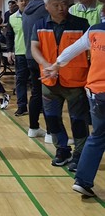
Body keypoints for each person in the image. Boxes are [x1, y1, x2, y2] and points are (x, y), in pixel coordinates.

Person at [44, 19, 105, 198]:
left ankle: (82, 181)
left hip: (96, 92)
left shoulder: (95, 30)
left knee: (97, 136)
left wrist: (56, 65)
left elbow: (71, 50)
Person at [31, 0, 90, 170]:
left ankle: (80, 154)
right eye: (56, 5)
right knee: (52, 118)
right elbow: (34, 48)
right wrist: (46, 65)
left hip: (75, 80)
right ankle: (62, 150)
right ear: (46, 6)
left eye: (64, 4)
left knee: (78, 120)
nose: (61, 8)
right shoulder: (39, 24)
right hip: (49, 80)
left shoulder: (81, 24)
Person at [22, 0, 57, 140]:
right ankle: (51, 133)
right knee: (50, 95)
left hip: (30, 56)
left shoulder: (27, 9)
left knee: (36, 93)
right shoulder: (45, 8)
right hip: (44, 58)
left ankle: (33, 128)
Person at [6, 0, 30, 116]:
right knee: (21, 81)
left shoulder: (34, 15)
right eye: (21, 0)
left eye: (26, 0)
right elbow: (9, 36)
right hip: (20, 53)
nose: (24, 2)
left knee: (36, 81)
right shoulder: (12, 18)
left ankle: (39, 106)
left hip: (35, 53)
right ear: (17, 2)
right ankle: (22, 106)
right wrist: (10, 51)